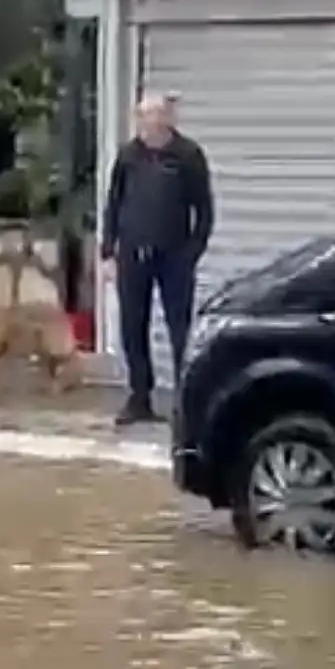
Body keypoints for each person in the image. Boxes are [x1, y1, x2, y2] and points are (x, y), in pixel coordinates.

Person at [101, 92, 214, 425]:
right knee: (132, 326)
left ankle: (185, 402)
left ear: (167, 118)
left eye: (153, 116)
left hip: (174, 256)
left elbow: (204, 209)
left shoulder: (188, 155)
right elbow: (114, 203)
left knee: (180, 328)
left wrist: (192, 252)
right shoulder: (128, 155)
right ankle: (139, 397)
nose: (146, 123)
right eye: (142, 116)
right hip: (133, 253)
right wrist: (108, 250)